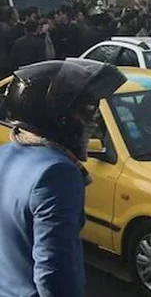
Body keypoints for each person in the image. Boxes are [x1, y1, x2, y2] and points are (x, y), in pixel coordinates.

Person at [0, 59, 126, 297]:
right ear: (59, 118)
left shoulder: (5, 153)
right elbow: (53, 271)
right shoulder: (57, 174)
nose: (93, 121)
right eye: (86, 111)